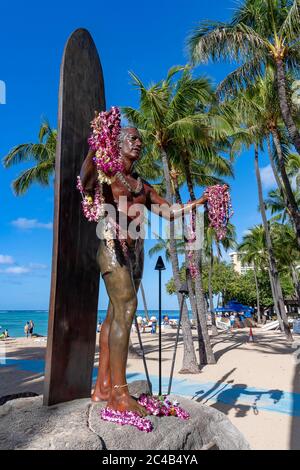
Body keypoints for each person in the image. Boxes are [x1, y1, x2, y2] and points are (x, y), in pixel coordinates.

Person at [80, 124, 208, 416]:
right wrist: (95, 146)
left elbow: (168, 211)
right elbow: (86, 182)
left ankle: (102, 388)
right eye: (132, 139)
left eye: (140, 140)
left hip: (135, 254)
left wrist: (197, 203)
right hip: (113, 248)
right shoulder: (106, 173)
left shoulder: (142, 185)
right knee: (126, 308)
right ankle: (119, 396)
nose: (139, 143)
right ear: (119, 142)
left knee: (115, 314)